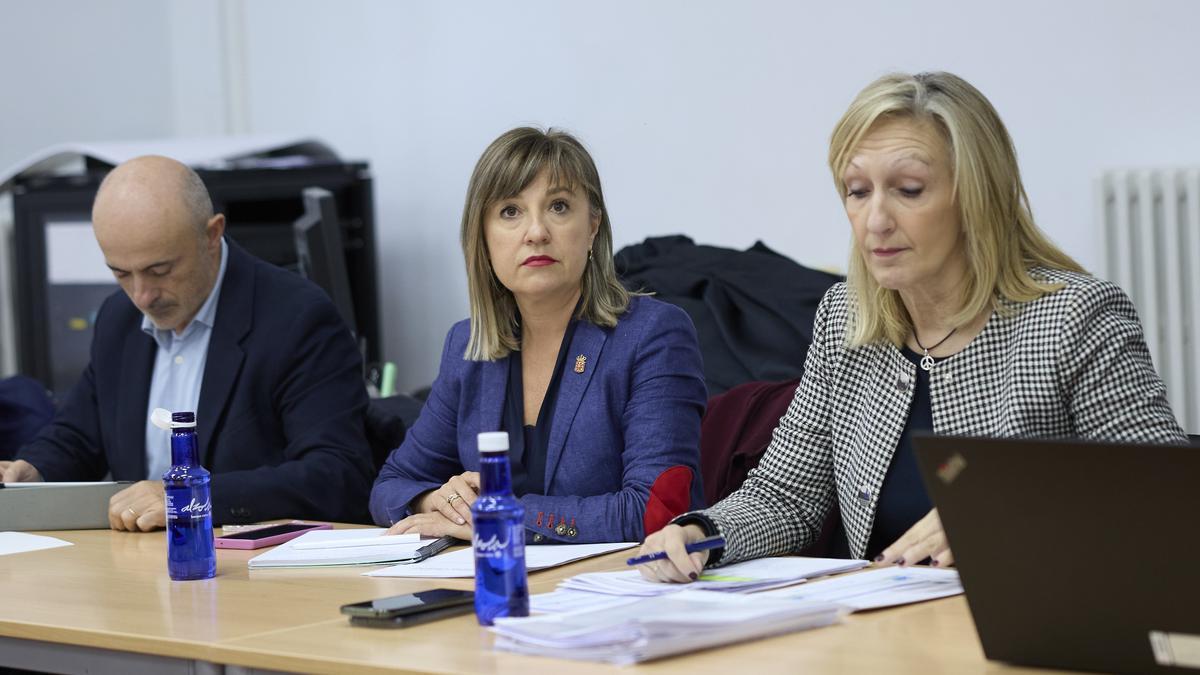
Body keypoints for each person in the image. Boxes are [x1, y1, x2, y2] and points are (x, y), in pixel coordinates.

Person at [638, 71, 1187, 582]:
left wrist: (1012, 514)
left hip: (1032, 622)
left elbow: (1165, 500)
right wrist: (702, 533)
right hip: (887, 625)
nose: (876, 220)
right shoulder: (845, 319)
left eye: (909, 189)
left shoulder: (1075, 316)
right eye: (858, 191)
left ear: (975, 196)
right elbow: (786, 496)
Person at [0, 155, 374, 530]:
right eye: (121, 273)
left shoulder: (296, 318)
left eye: (159, 270)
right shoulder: (119, 318)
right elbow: (79, 435)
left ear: (212, 235)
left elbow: (338, 474)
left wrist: (193, 497)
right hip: (139, 554)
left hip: (242, 557)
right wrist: (34, 471)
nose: (142, 296)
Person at [370, 127, 707, 543]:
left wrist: (501, 517)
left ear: (593, 225)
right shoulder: (468, 346)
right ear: (483, 236)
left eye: (558, 207)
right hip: (492, 575)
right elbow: (392, 485)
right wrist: (437, 501)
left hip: (622, 577)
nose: (535, 232)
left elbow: (655, 510)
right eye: (510, 211)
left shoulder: (652, 336)